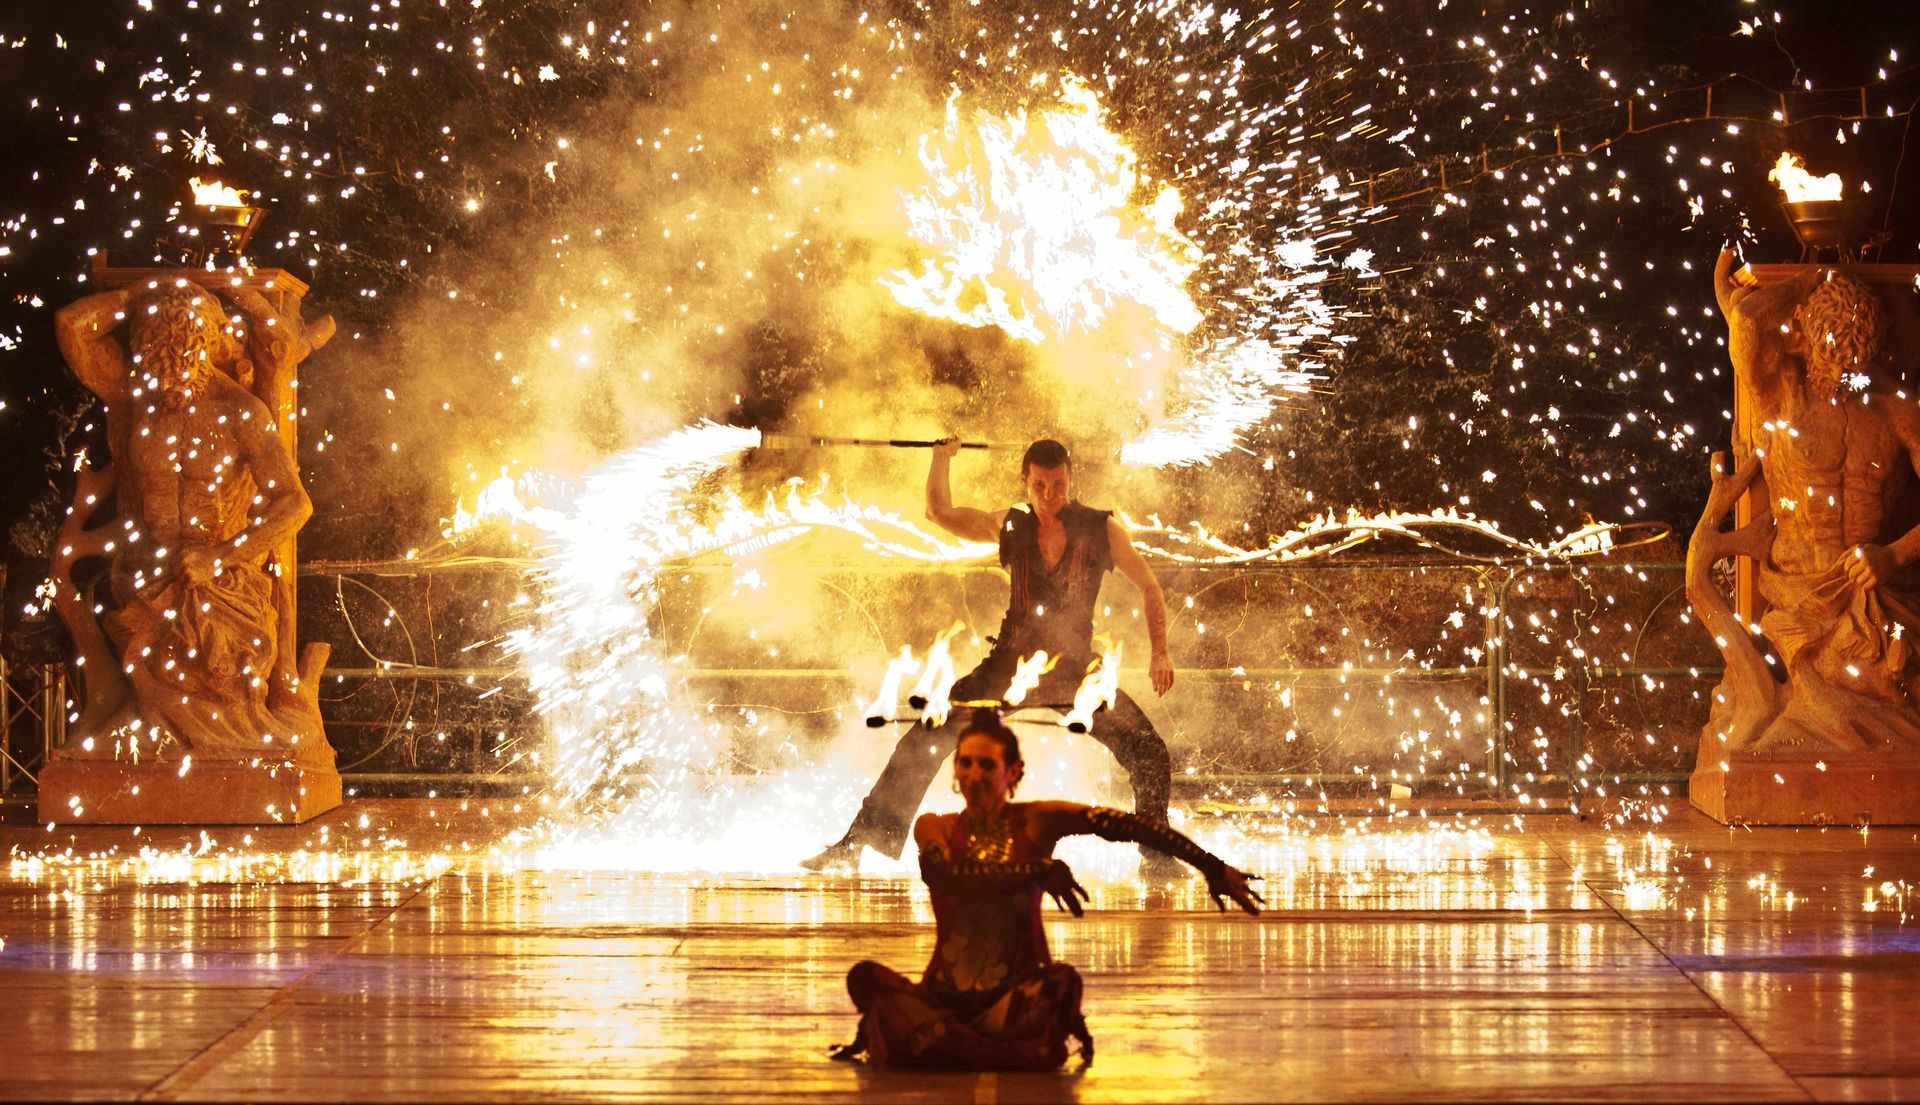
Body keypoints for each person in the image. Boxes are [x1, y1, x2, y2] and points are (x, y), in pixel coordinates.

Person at [804, 437, 1178, 870]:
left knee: (1149, 751)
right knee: (927, 735)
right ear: (1025, 481)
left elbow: (1150, 586)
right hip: (1009, 666)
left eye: (1059, 485)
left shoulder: (1102, 528)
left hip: (1076, 672)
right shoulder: (1011, 524)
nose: (1050, 495)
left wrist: (1161, 653)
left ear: (1071, 480)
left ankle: (1157, 852)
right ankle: (862, 841)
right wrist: (940, 458)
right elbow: (939, 513)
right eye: (1041, 485)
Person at [829, 708, 1261, 1070]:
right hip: (942, 999)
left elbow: (1127, 826)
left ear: (1013, 773)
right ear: (955, 771)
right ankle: (997, 1054)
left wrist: (1211, 865)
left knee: (1061, 983)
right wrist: (1035, 871)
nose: (974, 774)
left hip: (1010, 1006)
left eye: (987, 765)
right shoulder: (935, 826)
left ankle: (948, 1046)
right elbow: (945, 877)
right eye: (965, 763)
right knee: (865, 978)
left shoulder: (1036, 820)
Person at [1700, 249, 1920, 749]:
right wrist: (1811, 278)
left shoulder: (1895, 409)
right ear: (1802, 339)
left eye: (1853, 359)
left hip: (1872, 604)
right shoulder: (1782, 395)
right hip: (1797, 599)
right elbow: (1749, 319)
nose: (1842, 372)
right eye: (1831, 353)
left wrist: (1893, 554)